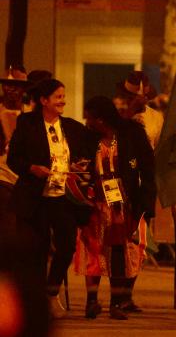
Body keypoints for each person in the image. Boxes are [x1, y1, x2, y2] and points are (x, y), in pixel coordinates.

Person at [7, 79, 92, 318]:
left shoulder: (73, 128)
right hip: (35, 197)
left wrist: (79, 165)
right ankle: (33, 302)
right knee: (37, 249)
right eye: (57, 96)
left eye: (64, 96)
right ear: (44, 101)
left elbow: (85, 156)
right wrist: (32, 168)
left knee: (66, 246)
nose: (62, 100)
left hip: (63, 197)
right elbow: (14, 158)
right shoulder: (27, 123)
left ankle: (50, 292)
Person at [74, 96, 156, 320]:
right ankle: (92, 302)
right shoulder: (87, 138)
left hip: (122, 203)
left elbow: (148, 167)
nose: (87, 121)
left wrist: (145, 202)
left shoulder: (131, 134)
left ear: (101, 119)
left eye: (90, 117)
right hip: (95, 203)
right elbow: (79, 166)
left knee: (118, 251)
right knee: (93, 251)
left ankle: (116, 303)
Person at [114, 70, 164, 313]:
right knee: (118, 242)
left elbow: (161, 149)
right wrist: (130, 111)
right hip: (120, 182)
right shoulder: (117, 115)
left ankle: (127, 294)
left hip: (144, 182)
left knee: (140, 242)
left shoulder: (157, 118)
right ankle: (117, 295)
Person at [0, 67, 30, 238]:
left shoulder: (32, 115)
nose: (11, 89)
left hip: (25, 176)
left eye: (17, 85)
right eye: (8, 85)